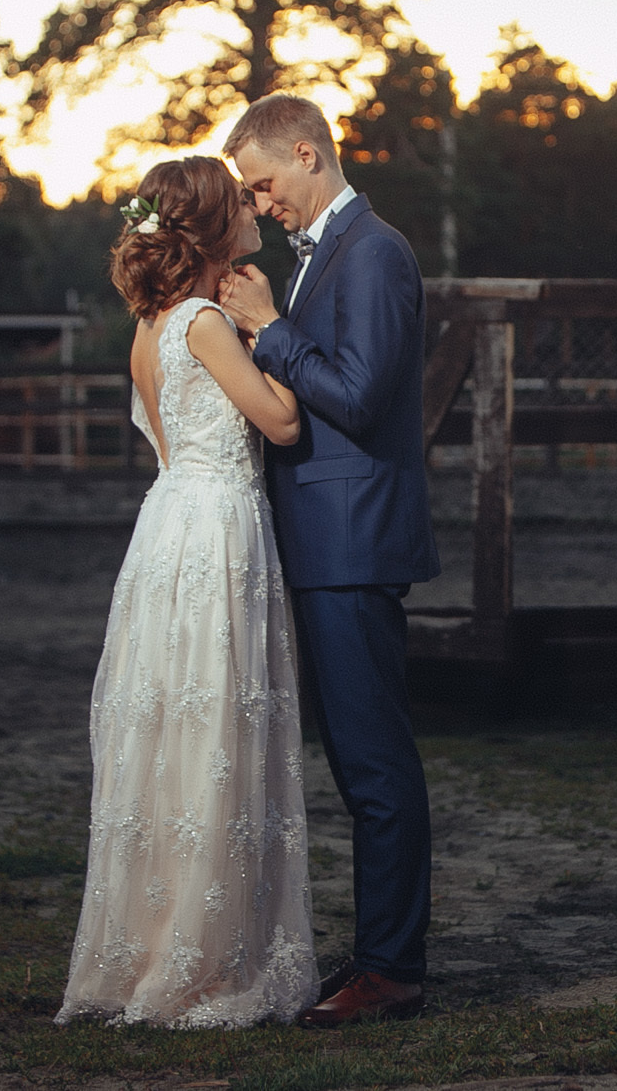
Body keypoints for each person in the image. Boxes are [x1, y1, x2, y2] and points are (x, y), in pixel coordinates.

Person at [57, 156, 318, 1029]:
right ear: (211, 229)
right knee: (216, 726)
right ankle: (205, 958)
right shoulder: (206, 320)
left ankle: (165, 938)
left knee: (175, 731)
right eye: (238, 201)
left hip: (167, 527)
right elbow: (280, 420)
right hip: (217, 528)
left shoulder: (149, 324)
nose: (254, 208)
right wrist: (273, 325)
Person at [217, 92, 441, 1028]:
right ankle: (381, 947)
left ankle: (392, 968)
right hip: (323, 542)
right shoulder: (327, 257)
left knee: (375, 764)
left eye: (264, 185)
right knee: (357, 761)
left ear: (307, 154)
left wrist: (269, 329)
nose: (261, 206)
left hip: (354, 542)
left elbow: (354, 393)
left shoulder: (376, 252)